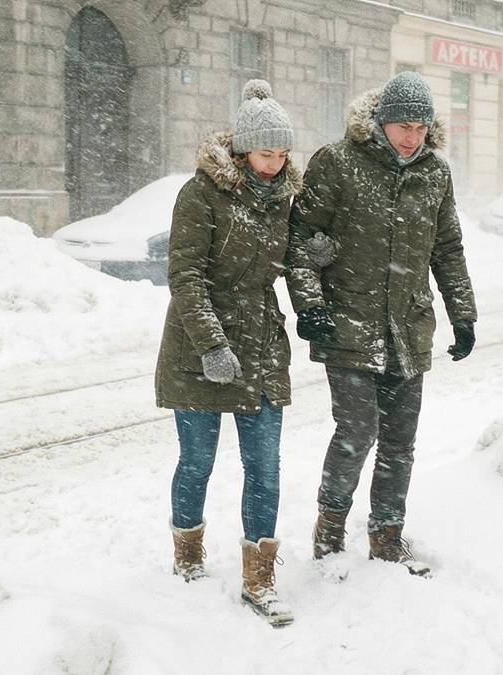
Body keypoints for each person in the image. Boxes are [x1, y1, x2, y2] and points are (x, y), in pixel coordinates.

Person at [285, 71, 477, 577]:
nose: (411, 136)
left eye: (420, 126)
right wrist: (311, 306)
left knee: (399, 438)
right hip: (347, 323)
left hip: (408, 327)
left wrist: (463, 314)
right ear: (381, 120)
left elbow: (447, 246)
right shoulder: (339, 162)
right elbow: (301, 237)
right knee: (358, 430)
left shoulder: (435, 173)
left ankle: (387, 535)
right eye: (401, 125)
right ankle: (329, 531)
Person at [155, 80, 299, 626]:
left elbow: (288, 259)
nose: (276, 164)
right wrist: (212, 343)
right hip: (200, 349)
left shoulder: (285, 197)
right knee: (198, 463)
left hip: (261, 346)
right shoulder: (200, 195)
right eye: (267, 154)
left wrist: (312, 253)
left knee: (265, 467)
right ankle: (187, 557)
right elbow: (186, 276)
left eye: (284, 154)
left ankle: (259, 581)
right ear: (241, 151)